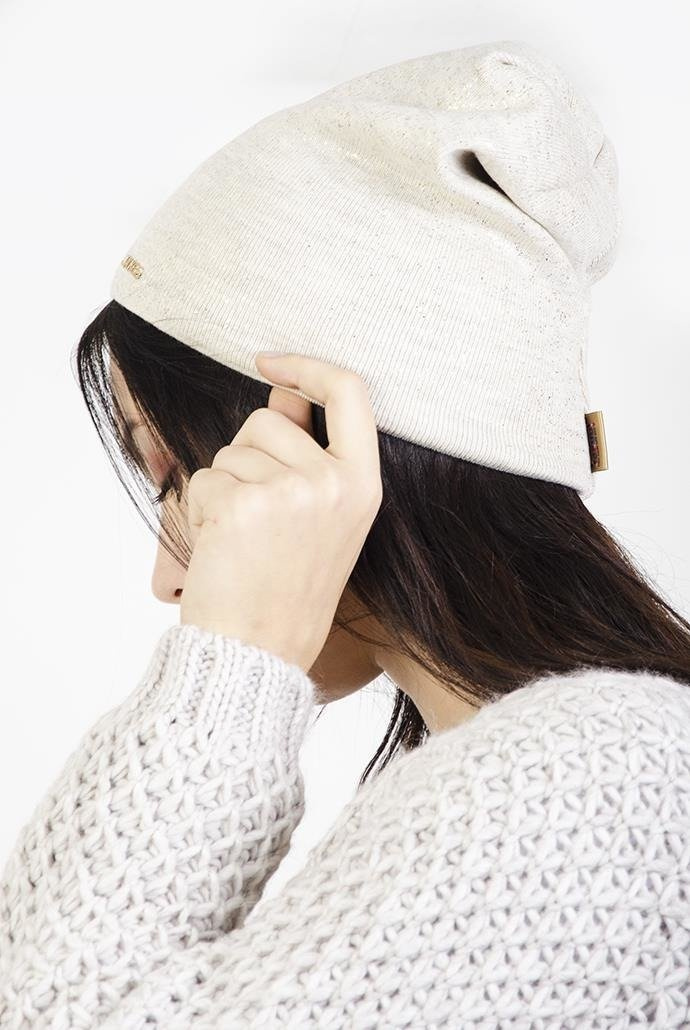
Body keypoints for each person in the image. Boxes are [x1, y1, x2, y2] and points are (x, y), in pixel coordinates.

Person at [2, 38, 689, 1028]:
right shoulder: (579, 773)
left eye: (175, 478)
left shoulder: (585, 785)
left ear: (317, 445)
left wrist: (231, 669)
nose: (169, 577)